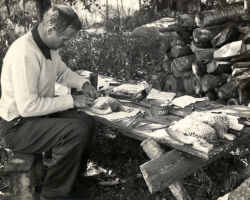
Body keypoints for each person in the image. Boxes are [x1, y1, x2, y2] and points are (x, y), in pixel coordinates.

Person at [0, 4, 99, 200]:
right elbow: (28, 107)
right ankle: (54, 194)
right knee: (75, 131)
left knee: (87, 121)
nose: (66, 43)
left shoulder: (47, 46)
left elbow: (62, 72)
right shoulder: (25, 52)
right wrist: (72, 100)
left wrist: (84, 84)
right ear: (51, 29)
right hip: (17, 127)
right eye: (65, 38)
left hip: (36, 117)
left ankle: (72, 181)